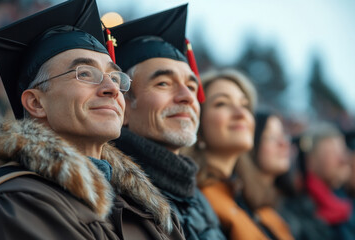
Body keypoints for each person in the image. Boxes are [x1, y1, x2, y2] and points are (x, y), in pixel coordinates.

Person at [0, 0, 185, 239]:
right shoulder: (17, 200)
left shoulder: (147, 208)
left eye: (116, 78)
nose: (112, 89)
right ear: (36, 103)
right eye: (85, 73)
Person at [109, 5, 226, 240]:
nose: (187, 96)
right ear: (122, 105)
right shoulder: (109, 200)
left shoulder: (200, 200)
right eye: (163, 83)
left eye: (192, 86)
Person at [185, 68, 279, 239]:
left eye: (245, 105)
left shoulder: (249, 197)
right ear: (197, 123)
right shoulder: (191, 200)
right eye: (222, 103)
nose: (241, 113)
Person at [234, 111, 294, 240]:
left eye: (283, 135)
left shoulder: (282, 204)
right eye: (272, 137)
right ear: (251, 144)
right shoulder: (237, 200)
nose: (284, 144)